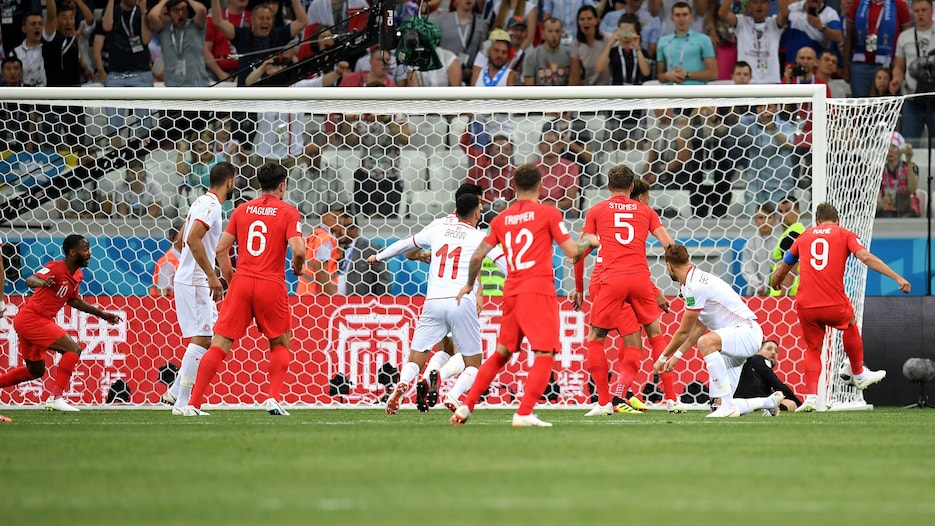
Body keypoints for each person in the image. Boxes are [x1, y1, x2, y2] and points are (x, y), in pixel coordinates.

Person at [450, 163, 600, 427]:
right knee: (544, 354)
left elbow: (477, 256)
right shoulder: (548, 214)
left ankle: (466, 405)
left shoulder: (500, 219)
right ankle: (524, 412)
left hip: (513, 291)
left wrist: (469, 285)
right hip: (538, 291)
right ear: (541, 187)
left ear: (514, 187)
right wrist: (590, 241)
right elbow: (573, 252)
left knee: (501, 353)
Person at [181, 163, 305, 416]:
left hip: (242, 282)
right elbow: (300, 249)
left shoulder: (241, 210)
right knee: (280, 342)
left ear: (260, 185)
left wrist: (230, 277)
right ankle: (272, 399)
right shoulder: (289, 212)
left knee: (220, 344)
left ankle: (193, 404)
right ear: (282, 186)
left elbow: (220, 249)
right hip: (271, 283)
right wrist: (298, 266)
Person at [370, 193, 508, 414]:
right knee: (473, 363)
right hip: (461, 302)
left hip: (433, 302)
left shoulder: (438, 229)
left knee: (417, 357)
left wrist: (378, 257)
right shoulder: (480, 238)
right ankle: (453, 396)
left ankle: (404, 384)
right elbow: (504, 263)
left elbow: (405, 245)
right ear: (476, 213)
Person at [770, 202, 911, 412]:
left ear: (816, 222)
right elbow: (865, 257)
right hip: (833, 302)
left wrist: (776, 281)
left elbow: (785, 265)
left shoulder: (804, 237)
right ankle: (858, 372)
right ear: (838, 221)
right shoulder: (844, 234)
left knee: (813, 349)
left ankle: (810, 396)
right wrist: (897, 277)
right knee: (850, 324)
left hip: (806, 305)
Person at [575, 167, 675, 417]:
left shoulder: (597, 212)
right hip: (639, 279)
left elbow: (579, 251)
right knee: (651, 337)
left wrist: (578, 289)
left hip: (608, 282)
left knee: (596, 339)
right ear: (633, 188)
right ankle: (670, 399)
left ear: (608, 186)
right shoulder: (646, 211)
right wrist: (679, 277)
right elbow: (670, 246)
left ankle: (604, 401)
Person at [0, 235, 122, 411]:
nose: (90, 253)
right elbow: (29, 280)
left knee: (35, 371)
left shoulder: (77, 274)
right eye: (85, 249)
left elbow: (73, 301)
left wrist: (102, 314)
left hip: (36, 321)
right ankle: (56, 398)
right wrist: (42, 282)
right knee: (73, 349)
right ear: (72, 252)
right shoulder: (55, 268)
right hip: (31, 319)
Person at [654, 244, 765, 418]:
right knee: (716, 407)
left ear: (668, 265)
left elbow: (684, 332)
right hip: (730, 343)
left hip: (746, 332)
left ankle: (728, 405)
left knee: (706, 342)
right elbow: (700, 326)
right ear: (688, 259)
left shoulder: (695, 286)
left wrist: (661, 358)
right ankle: (769, 402)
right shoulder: (690, 283)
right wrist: (676, 357)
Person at [162, 163, 236, 413]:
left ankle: (174, 392)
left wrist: (197, 267)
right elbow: (191, 239)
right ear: (230, 182)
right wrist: (209, 274)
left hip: (191, 278)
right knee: (204, 339)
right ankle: (182, 403)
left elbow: (180, 240)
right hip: (195, 280)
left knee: (209, 336)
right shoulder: (212, 205)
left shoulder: (199, 201)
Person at [843, 0, 911, 98]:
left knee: (886, 107)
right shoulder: (858, 3)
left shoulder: (899, 4)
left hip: (887, 65)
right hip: (860, 66)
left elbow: (906, 38)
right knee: (861, 107)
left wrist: (902, 68)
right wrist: (846, 65)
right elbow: (849, 35)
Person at [892, 0, 935, 143]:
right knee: (909, 145)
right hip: (912, 97)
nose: (920, 14)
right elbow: (899, 65)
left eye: (924, 10)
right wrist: (896, 78)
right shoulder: (904, 37)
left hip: (934, 95)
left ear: (932, 11)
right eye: (916, 11)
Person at [717, 0, 788, 84]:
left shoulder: (773, 23)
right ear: (749, 6)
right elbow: (722, 14)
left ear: (769, 6)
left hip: (771, 81)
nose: (759, 6)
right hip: (746, 82)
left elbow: (784, 14)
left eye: (763, 2)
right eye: (754, 2)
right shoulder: (741, 23)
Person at [147, 0, 209, 87]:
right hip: (173, 86)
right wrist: (165, 1)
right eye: (176, 10)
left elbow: (202, 10)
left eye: (184, 9)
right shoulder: (164, 29)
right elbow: (152, 15)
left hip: (197, 85)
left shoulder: (195, 26)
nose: (181, 13)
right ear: (169, 13)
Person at [733, 340, 802, 415]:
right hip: (751, 400)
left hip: (741, 401)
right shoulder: (758, 359)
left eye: (776, 351)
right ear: (758, 352)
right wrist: (800, 405)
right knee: (791, 404)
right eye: (769, 349)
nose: (773, 352)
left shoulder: (753, 368)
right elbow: (777, 384)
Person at [656, 2, 717, 85]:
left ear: (690, 17)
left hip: (695, 92)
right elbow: (660, 76)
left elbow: (713, 74)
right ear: (672, 18)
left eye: (685, 15)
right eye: (677, 15)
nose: (681, 19)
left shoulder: (704, 39)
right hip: (672, 94)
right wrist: (668, 76)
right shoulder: (662, 41)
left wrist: (687, 74)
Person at [296, 204, 343, 296]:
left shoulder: (313, 235)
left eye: (342, 216)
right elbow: (321, 270)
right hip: (319, 295)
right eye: (336, 216)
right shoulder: (326, 238)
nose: (340, 220)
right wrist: (333, 297)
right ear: (323, 216)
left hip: (305, 291)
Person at [339, 214, 391, 295]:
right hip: (333, 302)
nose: (346, 230)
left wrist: (382, 304)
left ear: (357, 228)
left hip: (361, 303)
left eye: (350, 227)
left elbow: (383, 281)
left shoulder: (371, 249)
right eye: (342, 227)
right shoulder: (330, 249)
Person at [876, 132, 920, 218]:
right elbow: (878, 196)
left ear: (900, 150)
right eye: (886, 146)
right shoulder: (879, 171)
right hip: (888, 209)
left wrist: (909, 162)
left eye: (893, 146)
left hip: (907, 209)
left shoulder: (911, 167)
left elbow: (913, 188)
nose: (890, 150)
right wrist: (880, 203)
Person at [741, 203, 780, 296]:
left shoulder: (781, 242)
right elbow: (747, 270)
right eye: (761, 218)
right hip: (755, 294)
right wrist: (759, 287)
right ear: (755, 220)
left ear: (774, 219)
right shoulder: (749, 245)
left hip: (778, 293)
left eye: (768, 217)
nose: (764, 221)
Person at [769, 198, 805, 296]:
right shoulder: (797, 232)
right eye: (780, 211)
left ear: (798, 211)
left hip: (787, 295)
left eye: (788, 210)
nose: (783, 215)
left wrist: (783, 299)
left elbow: (790, 269)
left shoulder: (792, 235)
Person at [523, 16, 571, 86]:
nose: (554, 35)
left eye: (557, 31)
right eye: (550, 31)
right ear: (543, 34)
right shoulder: (531, 57)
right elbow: (529, 90)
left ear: (562, 33)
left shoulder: (569, 55)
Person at [151, 218, 184, 297]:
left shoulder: (185, 257)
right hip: (170, 305)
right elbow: (162, 293)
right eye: (183, 236)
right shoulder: (168, 262)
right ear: (173, 237)